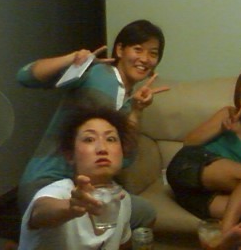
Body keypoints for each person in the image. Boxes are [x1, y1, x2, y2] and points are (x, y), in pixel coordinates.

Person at [17, 19, 169, 233]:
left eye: (153, 53)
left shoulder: (130, 102)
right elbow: (25, 76)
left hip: (91, 189)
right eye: (138, 49)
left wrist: (136, 110)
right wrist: (72, 59)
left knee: (145, 213)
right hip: (48, 181)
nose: (145, 59)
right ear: (120, 50)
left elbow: (124, 159)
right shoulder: (96, 72)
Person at [166, 65, 241, 250]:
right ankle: (224, 238)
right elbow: (189, 143)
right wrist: (220, 129)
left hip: (200, 197)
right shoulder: (229, 114)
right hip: (188, 168)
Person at [18, 105, 133, 249]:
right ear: (70, 155)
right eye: (89, 139)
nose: (102, 148)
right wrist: (70, 207)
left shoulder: (122, 199)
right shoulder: (60, 191)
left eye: (111, 139)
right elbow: (40, 212)